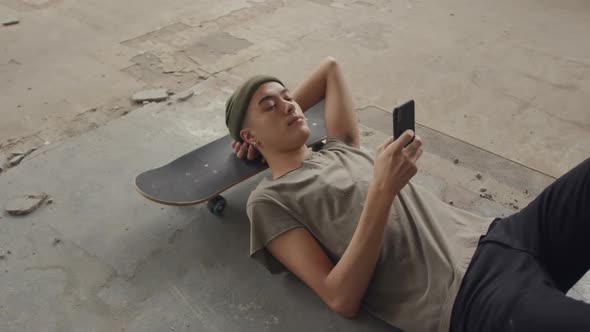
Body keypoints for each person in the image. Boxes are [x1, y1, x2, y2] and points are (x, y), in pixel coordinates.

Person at [224, 57, 590, 332]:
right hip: (469, 294)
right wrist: (383, 189)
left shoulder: (338, 147)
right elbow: (339, 297)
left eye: (289, 98)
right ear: (249, 137)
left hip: (503, 235)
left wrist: (274, 118)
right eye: (270, 106)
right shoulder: (270, 200)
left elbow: (330, 69)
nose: (289, 105)